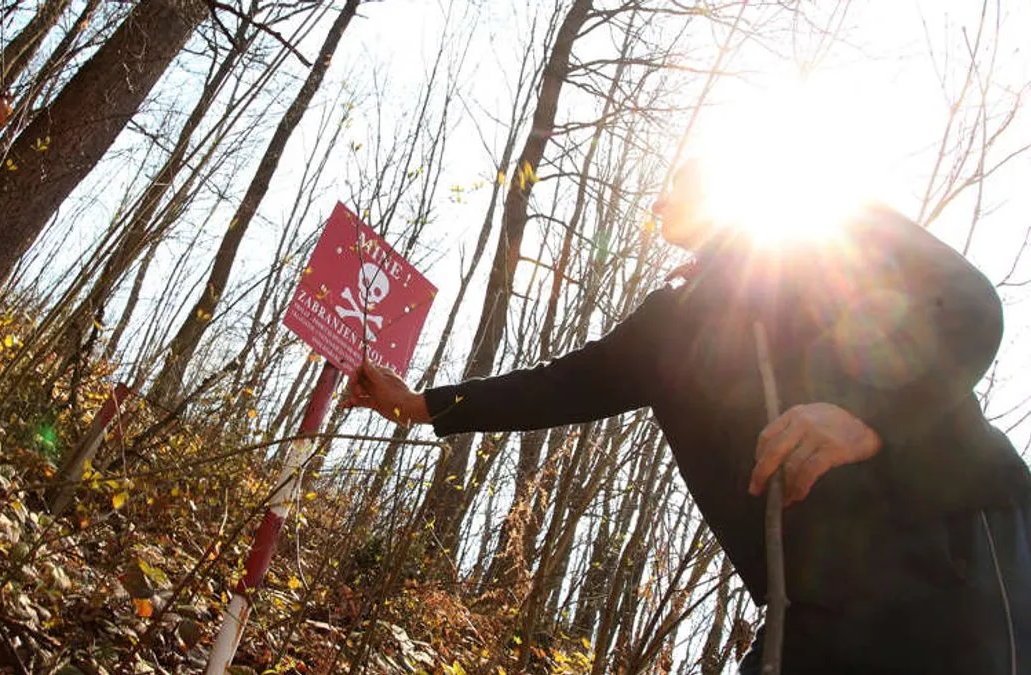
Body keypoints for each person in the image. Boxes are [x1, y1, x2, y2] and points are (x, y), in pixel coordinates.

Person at [345, 161, 1031, 674]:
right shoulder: (670, 326)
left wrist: (869, 416)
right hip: (812, 602)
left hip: (955, 545)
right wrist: (421, 405)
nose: (659, 199)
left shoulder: (826, 220)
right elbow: (554, 386)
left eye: (679, 179)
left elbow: (972, 307)